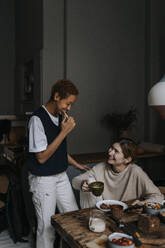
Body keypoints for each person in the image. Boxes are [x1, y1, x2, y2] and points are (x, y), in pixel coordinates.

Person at [27, 79, 89, 248]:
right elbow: (41, 157)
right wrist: (64, 132)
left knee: (72, 218)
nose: (68, 108)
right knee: (47, 227)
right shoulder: (37, 120)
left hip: (60, 176)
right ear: (56, 96)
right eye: (67, 103)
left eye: (71, 105)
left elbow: (57, 149)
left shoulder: (60, 117)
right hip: (43, 179)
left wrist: (75, 164)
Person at [72, 138, 164, 208]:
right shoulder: (101, 167)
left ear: (127, 159)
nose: (110, 152)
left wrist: (142, 204)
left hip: (127, 211)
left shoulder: (135, 171)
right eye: (111, 148)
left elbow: (158, 196)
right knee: (89, 180)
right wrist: (82, 184)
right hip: (104, 210)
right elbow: (75, 180)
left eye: (116, 151)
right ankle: (90, 217)